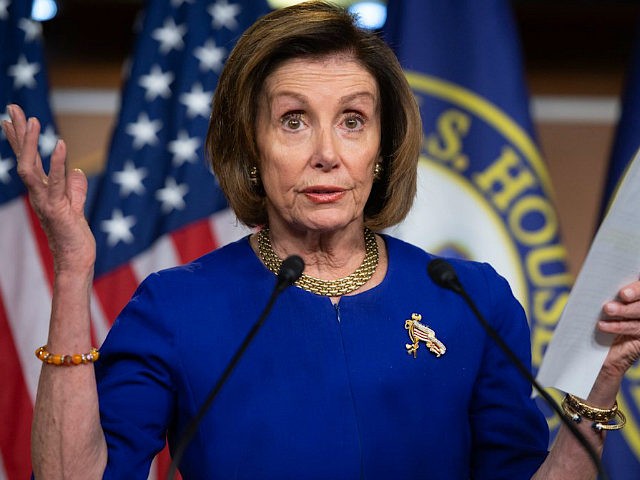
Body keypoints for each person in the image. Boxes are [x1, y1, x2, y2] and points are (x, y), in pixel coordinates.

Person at [4, 2, 640, 479]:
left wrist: (602, 379)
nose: (327, 155)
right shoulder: (174, 307)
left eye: (353, 121)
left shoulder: (470, 301)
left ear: (384, 151)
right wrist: (70, 272)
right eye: (293, 121)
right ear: (252, 149)